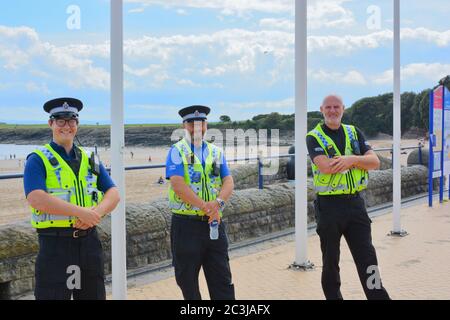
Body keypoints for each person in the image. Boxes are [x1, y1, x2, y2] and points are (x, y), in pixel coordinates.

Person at [23, 97, 120, 300]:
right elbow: (36, 198)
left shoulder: (90, 158)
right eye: (60, 120)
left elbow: (113, 193)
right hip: (55, 246)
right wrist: (81, 212)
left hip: (89, 244)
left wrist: (96, 213)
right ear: (51, 123)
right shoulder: (38, 159)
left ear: (77, 124)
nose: (66, 126)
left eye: (71, 120)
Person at [306, 94, 390, 300]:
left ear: (343, 108)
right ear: (321, 109)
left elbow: (375, 162)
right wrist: (360, 160)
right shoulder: (314, 136)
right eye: (328, 107)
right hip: (329, 207)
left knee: (368, 258)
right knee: (331, 261)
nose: (332, 111)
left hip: (355, 204)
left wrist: (350, 159)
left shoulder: (354, 132)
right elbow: (325, 167)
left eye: (336, 107)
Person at [166, 105, 235, 300]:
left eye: (201, 122)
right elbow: (178, 184)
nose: (197, 126)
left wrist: (219, 203)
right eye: (191, 123)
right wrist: (207, 207)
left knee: (222, 279)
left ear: (206, 125)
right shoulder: (176, 151)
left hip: (214, 224)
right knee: (188, 282)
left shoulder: (216, 152)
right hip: (186, 226)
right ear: (184, 125)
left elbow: (228, 181)